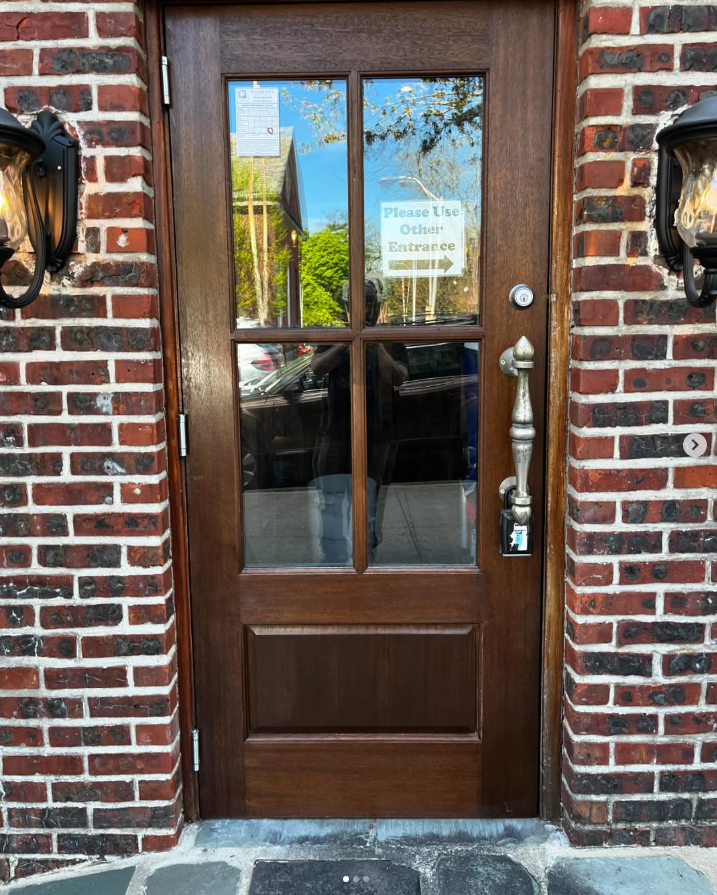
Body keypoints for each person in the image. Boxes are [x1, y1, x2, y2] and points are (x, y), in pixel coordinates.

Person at [311, 278, 407, 563]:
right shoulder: (337, 334)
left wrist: (376, 348)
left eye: (370, 303)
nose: (366, 309)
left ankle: (367, 556)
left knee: (370, 503)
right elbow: (316, 368)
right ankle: (333, 556)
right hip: (335, 431)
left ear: (378, 306)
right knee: (330, 499)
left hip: (378, 434)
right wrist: (346, 343)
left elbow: (399, 378)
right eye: (360, 303)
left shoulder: (388, 337)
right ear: (347, 306)